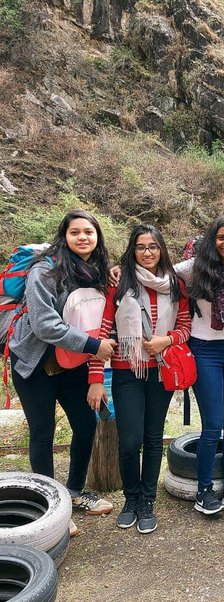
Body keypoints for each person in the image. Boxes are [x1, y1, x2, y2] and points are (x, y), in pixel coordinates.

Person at [10, 209, 117, 536]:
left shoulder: (95, 271)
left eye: (89, 232)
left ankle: (73, 491)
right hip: (35, 364)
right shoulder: (44, 271)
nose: (83, 237)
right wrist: (94, 345)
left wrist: (113, 274)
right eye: (75, 232)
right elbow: (45, 325)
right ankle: (51, 508)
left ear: (97, 237)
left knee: (85, 425)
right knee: (43, 433)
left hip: (74, 363)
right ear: (64, 236)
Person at [87, 225, 191, 534]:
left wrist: (167, 340)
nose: (147, 252)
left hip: (160, 369)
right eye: (141, 247)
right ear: (133, 250)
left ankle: (147, 501)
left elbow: (186, 325)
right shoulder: (119, 282)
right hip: (125, 370)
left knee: (153, 438)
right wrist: (95, 378)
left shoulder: (175, 284)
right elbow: (103, 329)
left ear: (162, 249)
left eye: (153, 246)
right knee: (130, 442)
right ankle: (130, 499)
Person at [179, 215, 224, 515]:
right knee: (213, 425)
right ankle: (204, 491)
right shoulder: (192, 269)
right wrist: (120, 271)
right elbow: (154, 276)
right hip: (203, 350)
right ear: (213, 239)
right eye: (222, 237)